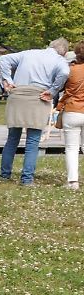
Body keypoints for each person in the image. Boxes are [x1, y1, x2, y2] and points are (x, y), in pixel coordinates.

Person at [0, 39, 71, 186]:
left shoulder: (29, 53)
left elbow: (4, 59)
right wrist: (53, 90)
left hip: (18, 94)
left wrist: (8, 80)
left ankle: (5, 174)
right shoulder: (59, 61)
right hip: (38, 96)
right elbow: (65, 72)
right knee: (33, 141)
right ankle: (27, 178)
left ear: (50, 46)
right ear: (64, 52)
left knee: (12, 139)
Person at [55, 41, 84, 190]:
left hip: (72, 110)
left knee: (72, 148)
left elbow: (61, 86)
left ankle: (73, 182)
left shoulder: (70, 69)